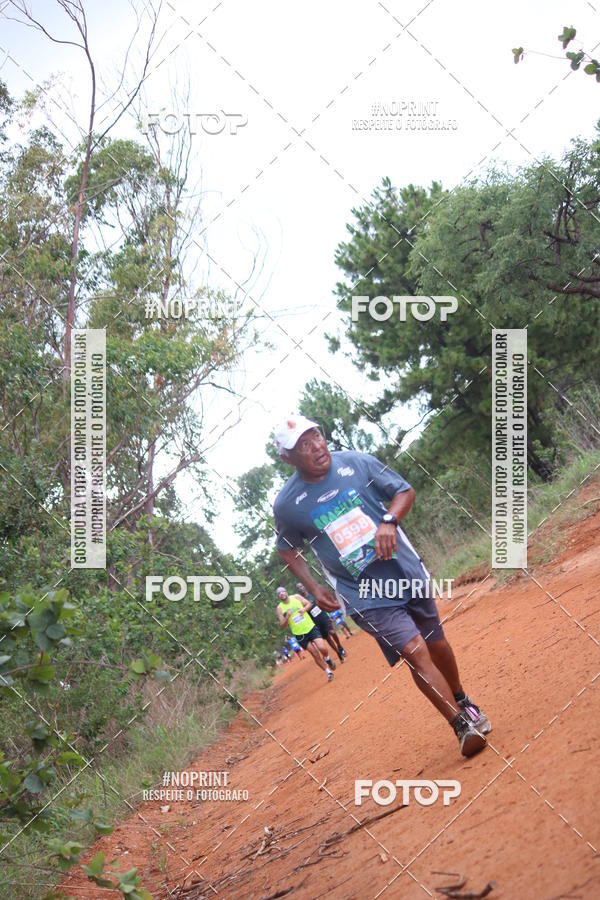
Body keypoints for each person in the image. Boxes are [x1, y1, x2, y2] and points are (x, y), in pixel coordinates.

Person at [272, 414, 492, 758]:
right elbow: (287, 548)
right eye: (303, 444)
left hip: (404, 571)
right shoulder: (288, 505)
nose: (316, 446)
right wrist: (313, 589)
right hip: (362, 593)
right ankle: (460, 724)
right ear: (287, 457)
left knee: (436, 644)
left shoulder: (357, 463)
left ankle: (462, 698)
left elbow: (404, 490)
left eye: (316, 435)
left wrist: (389, 521)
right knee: (414, 651)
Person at [276, 586, 337, 682]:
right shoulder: (279, 608)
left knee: (322, 648)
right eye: (279, 594)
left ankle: (327, 658)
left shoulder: (296, 597)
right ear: (278, 597)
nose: (281, 594)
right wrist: (287, 617)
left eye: (282, 592)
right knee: (315, 653)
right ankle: (328, 672)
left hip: (310, 627)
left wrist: (304, 610)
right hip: (299, 634)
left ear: (286, 592)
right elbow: (282, 625)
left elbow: (309, 604)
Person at [296, 581, 347, 663]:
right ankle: (338, 653)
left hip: (323, 616)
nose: (300, 588)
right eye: (298, 588)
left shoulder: (312, 594)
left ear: (304, 586)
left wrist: (329, 613)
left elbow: (321, 603)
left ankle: (340, 646)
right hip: (315, 622)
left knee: (332, 632)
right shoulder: (301, 602)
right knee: (327, 638)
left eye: (301, 586)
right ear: (298, 591)